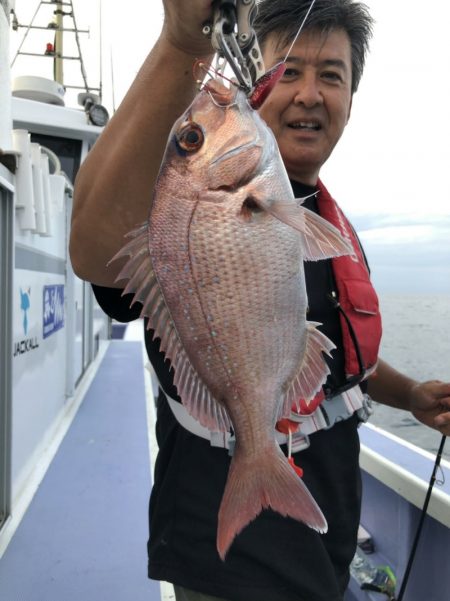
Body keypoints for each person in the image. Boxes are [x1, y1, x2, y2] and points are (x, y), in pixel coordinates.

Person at [70, 1, 450, 600]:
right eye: (290, 70)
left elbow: (327, 356)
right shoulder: (179, 204)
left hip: (326, 530)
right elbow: (94, 252)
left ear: (351, 99)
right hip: (229, 555)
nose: (308, 93)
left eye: (332, 75)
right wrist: (179, 42)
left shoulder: (330, 223)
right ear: (257, 84)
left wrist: (410, 395)